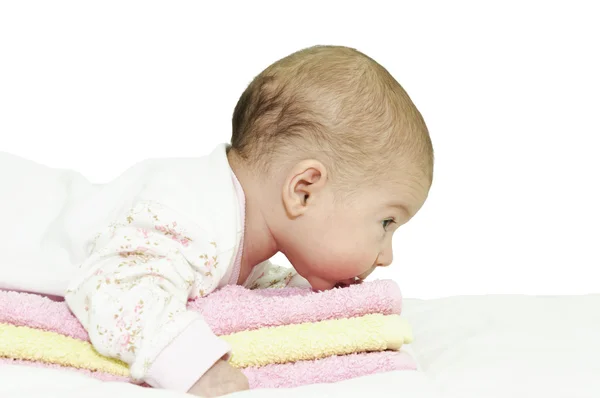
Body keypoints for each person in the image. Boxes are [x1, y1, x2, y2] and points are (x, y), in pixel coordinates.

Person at [4, 45, 433, 397]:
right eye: (386, 223)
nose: (388, 255)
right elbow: (114, 289)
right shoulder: (189, 214)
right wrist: (193, 364)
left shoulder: (240, 229)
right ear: (304, 189)